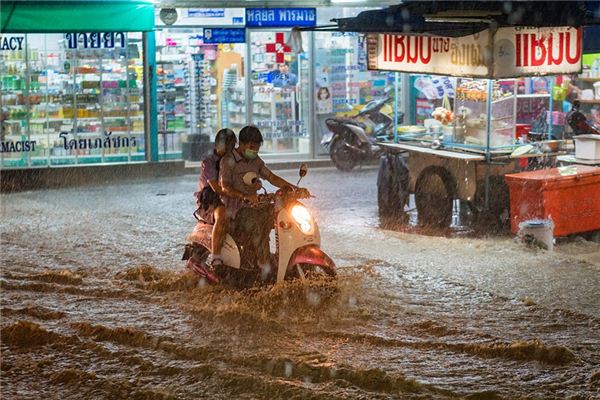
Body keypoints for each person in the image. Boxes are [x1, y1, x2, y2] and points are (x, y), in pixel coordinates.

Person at [219, 125, 297, 278]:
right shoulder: (228, 161)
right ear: (241, 144)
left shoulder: (256, 161)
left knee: (282, 215)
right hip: (236, 212)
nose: (254, 151)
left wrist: (293, 189)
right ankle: (264, 265)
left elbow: (271, 177)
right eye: (251, 147)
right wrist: (244, 196)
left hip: (254, 207)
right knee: (257, 224)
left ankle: (282, 258)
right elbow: (225, 187)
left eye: (257, 148)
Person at [195, 128, 237, 268]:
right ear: (218, 144)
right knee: (222, 216)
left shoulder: (234, 160)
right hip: (210, 200)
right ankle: (216, 257)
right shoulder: (209, 161)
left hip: (229, 197)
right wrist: (241, 194)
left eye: (233, 146)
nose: (230, 150)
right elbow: (216, 188)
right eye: (228, 146)